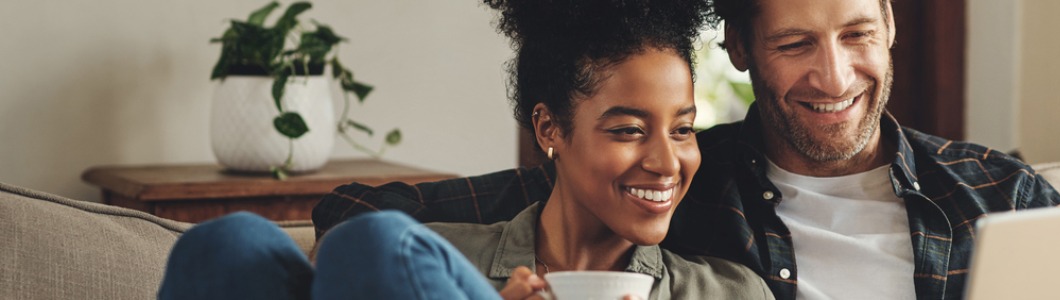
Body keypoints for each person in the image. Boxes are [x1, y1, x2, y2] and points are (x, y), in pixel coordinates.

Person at [314, 0, 1060, 299]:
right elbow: (371, 226)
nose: (834, 76)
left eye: (857, 34)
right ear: (740, 49)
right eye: (797, 43)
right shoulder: (690, 179)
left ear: (891, 24)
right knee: (242, 248)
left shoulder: (996, 191)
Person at [162, 0, 773, 299]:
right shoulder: (444, 262)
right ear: (548, 130)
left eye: (683, 128)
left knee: (378, 245)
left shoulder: (729, 293)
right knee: (226, 244)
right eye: (627, 130)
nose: (666, 162)